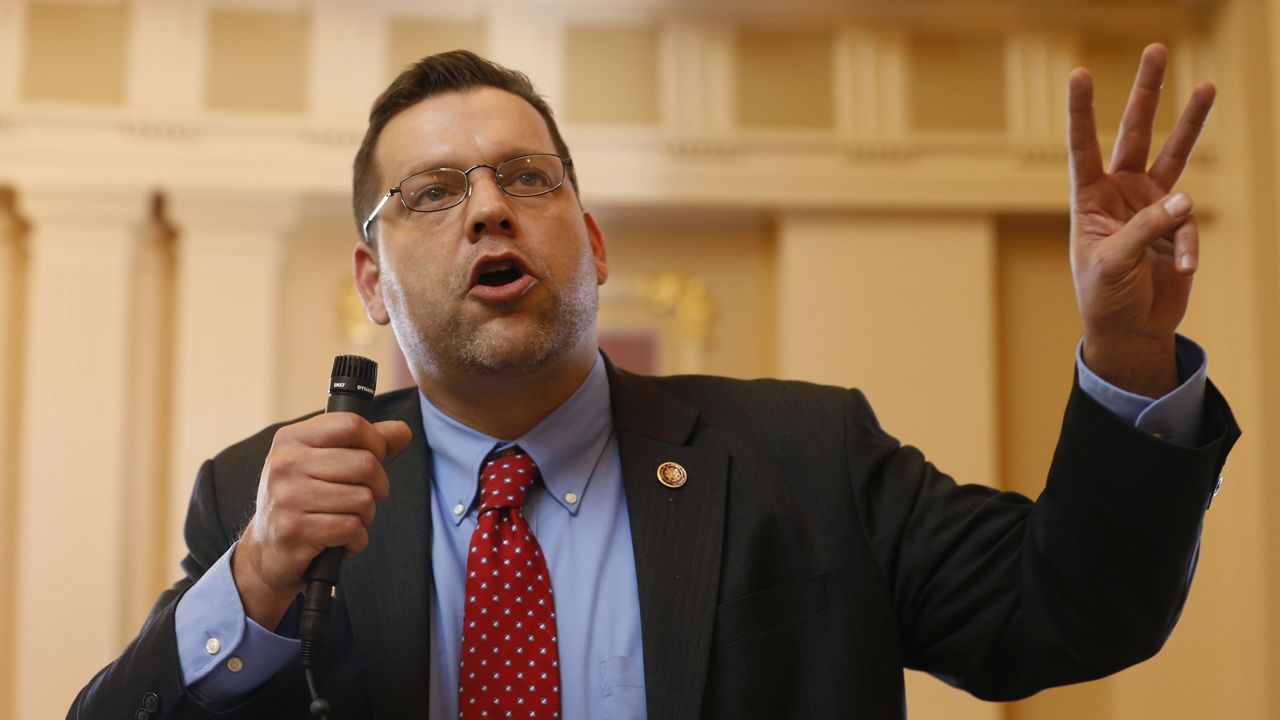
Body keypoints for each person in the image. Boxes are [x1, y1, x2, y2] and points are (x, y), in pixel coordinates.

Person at [69, 45, 1238, 720]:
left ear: (592, 243)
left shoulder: (807, 454)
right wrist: (258, 579)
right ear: (372, 284)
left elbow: (1073, 610)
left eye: (523, 178)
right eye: (432, 193)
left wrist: (1127, 355)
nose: (486, 206)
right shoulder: (264, 502)